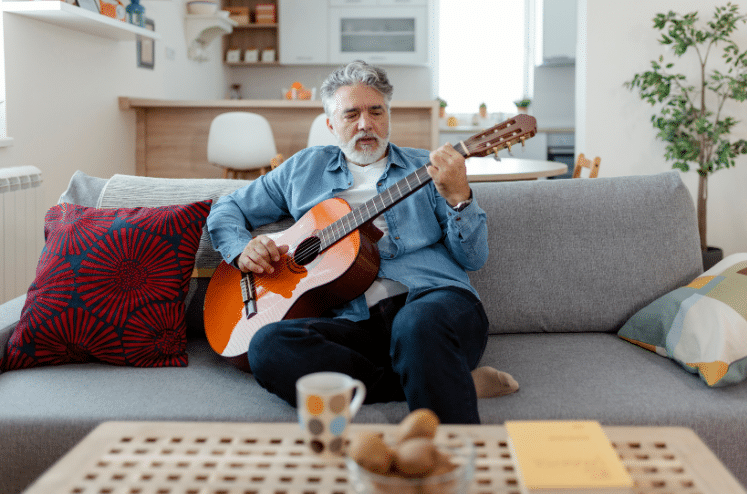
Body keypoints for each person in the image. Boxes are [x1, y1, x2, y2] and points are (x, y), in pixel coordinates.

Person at [206, 60, 518, 424]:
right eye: (351, 114)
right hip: (353, 326)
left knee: (416, 325)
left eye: (376, 111)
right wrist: (241, 248)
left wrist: (459, 197)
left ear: (388, 116)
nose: (365, 124)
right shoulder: (302, 169)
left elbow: (474, 257)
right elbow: (228, 207)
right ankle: (442, 379)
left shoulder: (429, 169)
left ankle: (445, 464)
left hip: (433, 305)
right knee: (268, 347)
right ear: (330, 124)